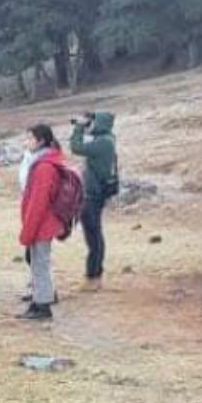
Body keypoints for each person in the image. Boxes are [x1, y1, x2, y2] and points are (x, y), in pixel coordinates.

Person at [18, 124, 67, 321]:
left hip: (42, 224)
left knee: (40, 264)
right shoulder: (44, 162)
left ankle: (42, 306)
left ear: (41, 141)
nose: (26, 142)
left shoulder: (44, 167)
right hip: (44, 222)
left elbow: (38, 202)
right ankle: (39, 301)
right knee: (38, 262)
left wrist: (28, 231)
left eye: (30, 138)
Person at [69, 111, 118, 291]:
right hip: (95, 193)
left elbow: (76, 147)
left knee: (93, 235)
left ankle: (93, 276)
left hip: (92, 195)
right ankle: (95, 275)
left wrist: (79, 127)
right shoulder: (107, 139)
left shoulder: (103, 142)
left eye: (93, 122)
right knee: (95, 234)